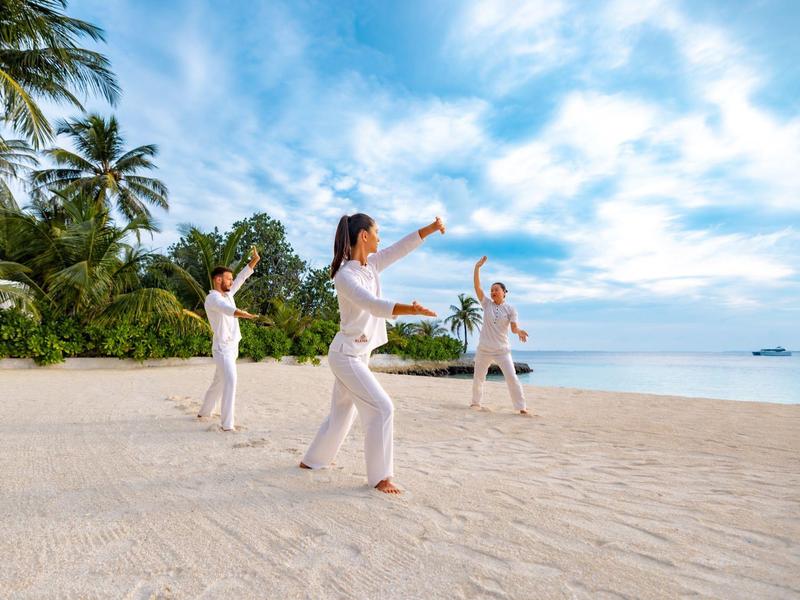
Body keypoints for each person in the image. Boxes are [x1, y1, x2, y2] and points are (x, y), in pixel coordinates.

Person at [300, 214, 446, 494]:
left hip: (358, 352)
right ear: (364, 236)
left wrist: (430, 228)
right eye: (377, 232)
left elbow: (401, 248)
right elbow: (374, 305)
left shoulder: (372, 265)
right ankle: (381, 478)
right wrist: (411, 310)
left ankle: (312, 461)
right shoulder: (345, 275)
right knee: (382, 408)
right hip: (346, 355)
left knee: (341, 417)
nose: (381, 238)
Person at [197, 247, 260, 431]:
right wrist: (245, 314)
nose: (232, 282)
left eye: (231, 279)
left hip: (232, 347)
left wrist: (254, 260)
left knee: (219, 382)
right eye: (228, 279)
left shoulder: (228, 294)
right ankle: (227, 425)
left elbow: (241, 277)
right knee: (230, 381)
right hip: (222, 349)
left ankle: (204, 412)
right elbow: (227, 310)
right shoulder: (212, 299)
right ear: (218, 280)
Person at [471, 255, 530, 415]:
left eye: (496, 289)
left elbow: (514, 328)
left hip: (502, 350)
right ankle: (475, 403)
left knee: (512, 378)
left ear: (504, 293)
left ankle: (521, 407)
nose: (493, 292)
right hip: (484, 349)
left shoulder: (511, 309)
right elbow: (477, 287)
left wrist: (519, 331)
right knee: (478, 378)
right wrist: (477, 268)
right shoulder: (487, 304)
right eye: (492, 290)